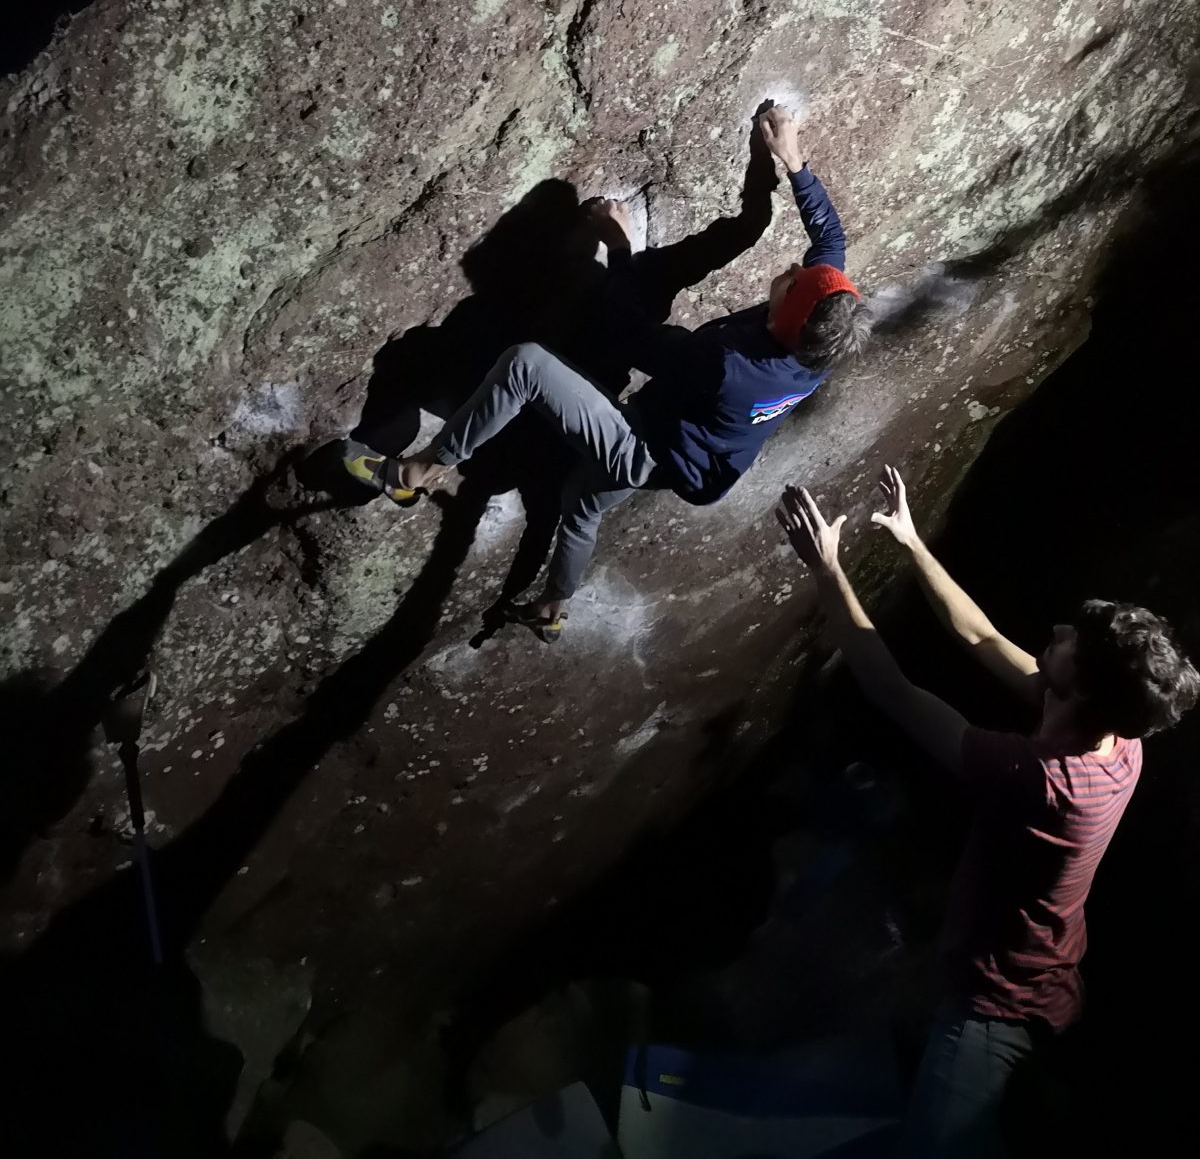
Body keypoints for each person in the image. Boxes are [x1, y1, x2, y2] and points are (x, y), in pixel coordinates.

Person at [775, 468, 1200, 1157]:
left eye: (1069, 643)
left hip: (992, 1014)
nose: (1057, 629)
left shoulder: (1041, 780)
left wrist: (825, 567)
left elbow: (890, 688)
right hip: (1051, 981)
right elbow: (981, 638)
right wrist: (911, 542)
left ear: (1080, 689)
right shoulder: (1120, 742)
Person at [344, 106, 868, 639]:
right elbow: (830, 240)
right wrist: (793, 160)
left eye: (794, 281)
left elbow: (630, 333)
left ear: (784, 320)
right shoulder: (824, 337)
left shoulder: (728, 368)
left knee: (526, 365)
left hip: (647, 444)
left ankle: (416, 474)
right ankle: (552, 609)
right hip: (691, 460)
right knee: (580, 505)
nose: (793, 269)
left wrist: (620, 248)